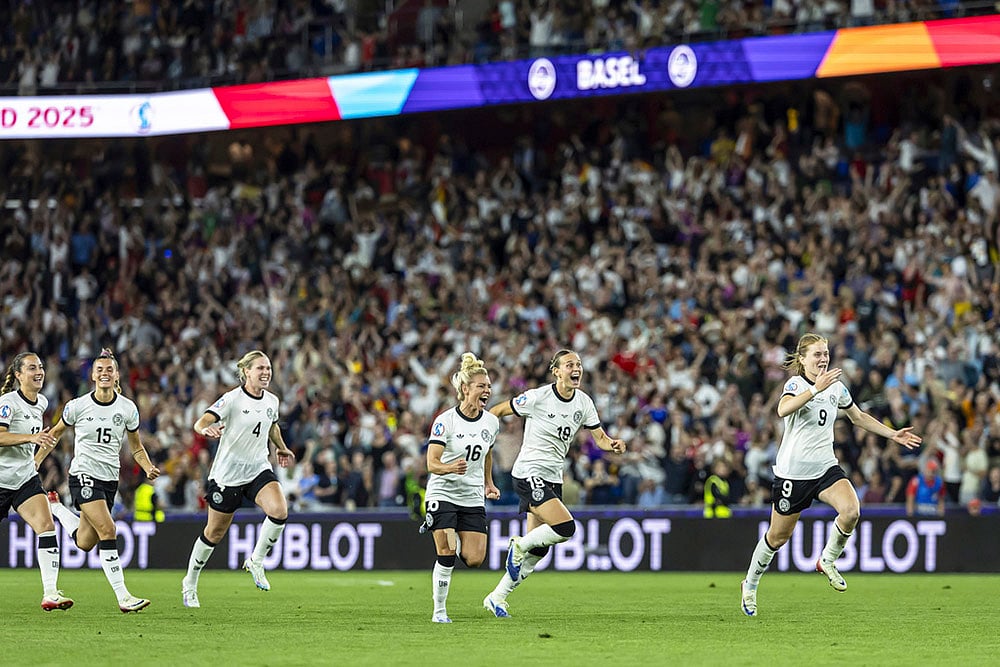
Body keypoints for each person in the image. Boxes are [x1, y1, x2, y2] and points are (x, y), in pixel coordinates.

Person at [740, 333, 922, 617]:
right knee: (777, 537)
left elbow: (858, 417)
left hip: (825, 468)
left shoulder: (837, 387)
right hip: (793, 475)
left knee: (851, 510)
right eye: (817, 354)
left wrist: (892, 434)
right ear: (802, 359)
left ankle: (828, 559)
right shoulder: (796, 384)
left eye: (825, 353)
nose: (823, 358)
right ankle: (749, 584)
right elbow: (782, 409)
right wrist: (814, 390)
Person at [483, 349, 626, 618]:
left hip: (552, 478)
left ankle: (497, 597)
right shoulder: (538, 397)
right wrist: (484, 431)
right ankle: (517, 545)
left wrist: (614, 445)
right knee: (566, 527)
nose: (577, 368)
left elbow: (601, 438)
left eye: (579, 364)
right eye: (570, 364)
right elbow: (498, 410)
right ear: (556, 371)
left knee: (538, 552)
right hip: (528, 473)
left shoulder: (584, 402)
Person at [38, 348, 161, 613]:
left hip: (108, 480)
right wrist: (36, 461)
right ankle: (124, 597)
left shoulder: (127, 408)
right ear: (93, 375)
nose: (104, 373)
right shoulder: (77, 406)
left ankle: (56, 507)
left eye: (109, 369)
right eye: (100, 369)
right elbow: (56, 434)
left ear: (117, 375)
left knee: (85, 542)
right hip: (83, 474)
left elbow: (136, 447)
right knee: (109, 530)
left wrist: (148, 466)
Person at [181, 350, 295, 608]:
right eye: (260, 369)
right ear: (246, 372)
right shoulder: (232, 399)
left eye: (268, 368)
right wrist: (205, 429)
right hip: (227, 476)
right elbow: (202, 421)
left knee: (279, 511)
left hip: (257, 468)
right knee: (214, 532)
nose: (266, 372)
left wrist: (281, 447)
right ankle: (190, 583)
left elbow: (272, 425)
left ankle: (256, 560)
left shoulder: (272, 401)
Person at [422, 352, 501, 623]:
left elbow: (488, 452)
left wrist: (488, 482)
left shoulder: (491, 422)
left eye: (489, 386)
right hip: (443, 492)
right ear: (465, 389)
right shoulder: (446, 421)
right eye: (482, 386)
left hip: (472, 496)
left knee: (475, 558)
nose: (487, 391)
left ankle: (447, 531)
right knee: (445, 552)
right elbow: (432, 463)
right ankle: (439, 612)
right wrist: (450, 468)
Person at [0, 351, 74, 611]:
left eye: (40, 367)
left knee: (46, 525)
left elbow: (41, 439)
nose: (39, 371)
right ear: (18, 375)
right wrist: (30, 439)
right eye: (31, 368)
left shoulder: (41, 402)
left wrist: (37, 459)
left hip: (24, 479)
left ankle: (51, 593)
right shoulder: (8, 403)